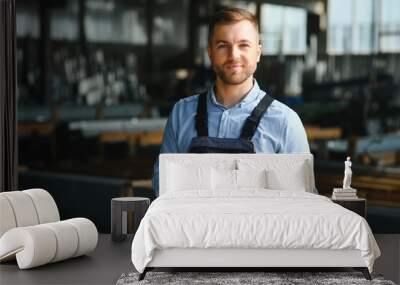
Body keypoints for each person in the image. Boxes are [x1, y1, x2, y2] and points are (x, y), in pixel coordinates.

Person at [152, 7, 310, 197]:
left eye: (244, 45)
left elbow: (301, 202)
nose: (234, 55)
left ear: (258, 52)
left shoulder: (286, 122)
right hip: (195, 226)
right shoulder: (181, 113)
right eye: (223, 45)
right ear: (210, 52)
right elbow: (163, 185)